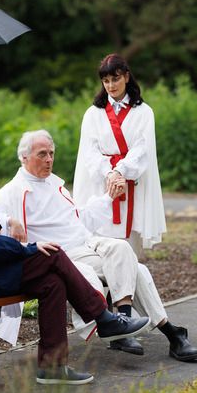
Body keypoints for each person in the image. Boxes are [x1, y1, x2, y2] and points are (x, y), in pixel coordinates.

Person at [0, 132, 151, 385]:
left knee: (53, 282)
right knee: (51, 253)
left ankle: (53, 366)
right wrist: (28, 248)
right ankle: (104, 319)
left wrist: (12, 230)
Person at [0, 130, 197, 361]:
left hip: (86, 244)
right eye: (42, 154)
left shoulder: (55, 185)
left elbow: (79, 219)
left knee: (122, 249)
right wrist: (9, 221)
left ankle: (123, 324)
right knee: (137, 271)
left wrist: (109, 197)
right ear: (24, 158)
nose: (49, 159)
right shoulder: (12, 191)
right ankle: (172, 333)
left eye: (51, 153)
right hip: (62, 256)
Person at [73, 53, 166, 259]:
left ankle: (129, 288)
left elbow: (142, 149)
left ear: (126, 76)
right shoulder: (93, 114)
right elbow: (89, 151)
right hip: (103, 183)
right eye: (105, 80)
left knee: (130, 248)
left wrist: (120, 170)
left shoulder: (143, 112)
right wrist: (109, 173)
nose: (110, 85)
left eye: (115, 79)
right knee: (100, 242)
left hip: (130, 182)